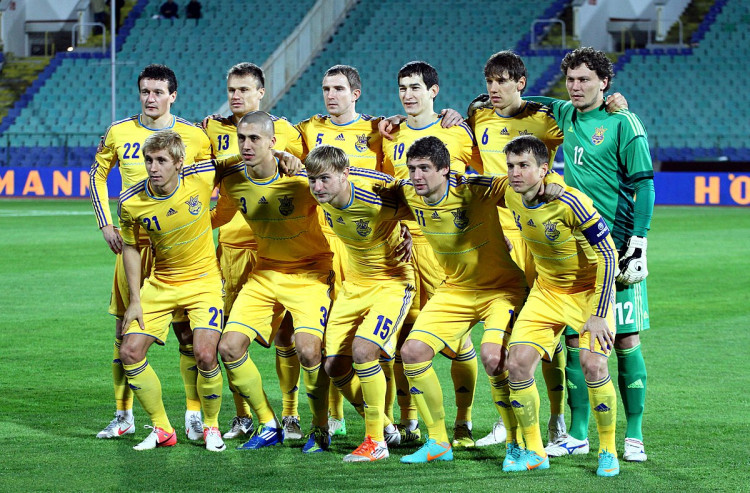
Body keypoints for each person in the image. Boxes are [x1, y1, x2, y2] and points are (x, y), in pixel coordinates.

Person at [385, 136, 562, 464]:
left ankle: (518, 443)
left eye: (425, 168)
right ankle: (438, 441)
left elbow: (517, 181)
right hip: (455, 289)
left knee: (494, 357)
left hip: (502, 289)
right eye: (412, 169)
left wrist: (551, 182)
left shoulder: (475, 188)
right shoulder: (406, 191)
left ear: (445, 169)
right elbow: (370, 182)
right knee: (412, 352)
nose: (417, 176)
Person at [525, 47, 654, 462]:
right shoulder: (565, 114)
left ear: (604, 82)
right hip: (577, 251)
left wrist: (639, 243)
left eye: (585, 79)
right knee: (578, 340)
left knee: (625, 340)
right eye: (571, 80)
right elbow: (531, 102)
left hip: (617, 249)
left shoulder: (623, 123)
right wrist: (482, 100)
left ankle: (633, 435)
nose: (576, 87)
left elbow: (645, 187)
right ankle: (577, 433)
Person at [90, 64, 213, 442]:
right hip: (133, 245)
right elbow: (97, 173)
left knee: (188, 334)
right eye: (145, 91)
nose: (150, 98)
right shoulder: (119, 131)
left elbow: (212, 179)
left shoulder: (193, 136)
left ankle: (194, 413)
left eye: (158, 92)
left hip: (178, 250)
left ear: (172, 95)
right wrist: (105, 223)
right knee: (124, 330)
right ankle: (123, 413)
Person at [212, 111, 334, 454]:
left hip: (310, 273)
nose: (247, 146)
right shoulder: (233, 182)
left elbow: (343, 196)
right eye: (242, 139)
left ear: (272, 143)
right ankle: (268, 423)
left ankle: (320, 427)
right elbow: (214, 217)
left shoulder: (303, 182)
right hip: (265, 273)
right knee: (229, 346)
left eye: (255, 139)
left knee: (308, 348)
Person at [501, 135, 620, 476]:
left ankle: (607, 449)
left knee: (593, 364)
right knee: (518, 363)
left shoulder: (571, 202)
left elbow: (609, 254)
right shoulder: (510, 192)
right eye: (511, 165)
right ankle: (535, 451)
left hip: (587, 293)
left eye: (524, 165)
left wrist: (598, 315)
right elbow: (474, 184)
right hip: (546, 291)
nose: (515, 172)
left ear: (544, 169)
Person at [466, 50, 567, 449]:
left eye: (502, 81)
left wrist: (613, 104)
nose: (494, 89)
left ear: (520, 83)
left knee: (544, 335)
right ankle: (508, 421)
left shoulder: (544, 120)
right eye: (489, 81)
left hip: (536, 237)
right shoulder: (479, 116)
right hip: (494, 237)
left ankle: (557, 419)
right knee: (502, 331)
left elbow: (585, 127)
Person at [380, 60, 481, 448]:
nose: (408, 95)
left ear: (433, 91)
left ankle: (464, 423)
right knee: (405, 337)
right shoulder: (390, 134)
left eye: (416, 87)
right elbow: (390, 192)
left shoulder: (456, 132)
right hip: (403, 250)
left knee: (457, 341)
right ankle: (410, 422)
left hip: (444, 250)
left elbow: (480, 182)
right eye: (402, 87)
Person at [204, 62, 305, 442]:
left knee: (288, 337)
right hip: (232, 249)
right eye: (231, 89)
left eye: (244, 89)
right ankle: (244, 415)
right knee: (228, 335)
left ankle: (291, 414)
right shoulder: (212, 128)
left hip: (280, 251)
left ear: (261, 92)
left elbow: (311, 179)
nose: (236, 95)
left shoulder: (287, 132)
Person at [118, 130, 226, 452]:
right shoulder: (130, 201)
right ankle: (163, 429)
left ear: (179, 163)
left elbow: (236, 162)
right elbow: (130, 247)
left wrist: (281, 158)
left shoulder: (202, 176)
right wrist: (135, 300)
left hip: (204, 282)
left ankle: (211, 427)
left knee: (206, 354)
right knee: (129, 352)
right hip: (162, 282)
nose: (153, 167)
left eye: (162, 160)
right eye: (149, 160)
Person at [306, 145, 415, 462]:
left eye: (325, 179)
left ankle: (375, 442)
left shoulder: (376, 194)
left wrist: (411, 230)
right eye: (313, 180)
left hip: (393, 282)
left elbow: (426, 202)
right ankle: (385, 427)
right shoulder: (318, 189)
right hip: (354, 284)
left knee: (365, 351)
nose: (318, 187)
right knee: (334, 366)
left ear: (345, 174)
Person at [295, 64, 387, 438]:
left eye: (338, 88)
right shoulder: (308, 130)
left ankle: (396, 417)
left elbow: (393, 184)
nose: (330, 95)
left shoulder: (378, 130)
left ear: (356, 93)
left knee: (378, 339)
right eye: (325, 88)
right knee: (326, 333)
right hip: (323, 244)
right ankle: (334, 416)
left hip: (366, 248)